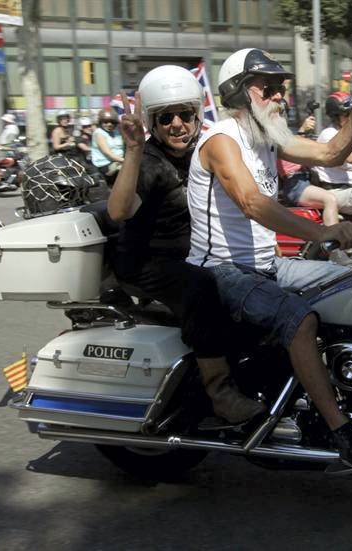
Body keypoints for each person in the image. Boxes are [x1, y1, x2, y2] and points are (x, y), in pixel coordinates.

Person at [187, 48, 352, 476]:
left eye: (282, 87)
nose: (281, 95)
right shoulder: (221, 139)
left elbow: (332, 153)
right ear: (241, 92)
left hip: (268, 264)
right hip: (221, 271)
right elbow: (251, 201)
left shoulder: (268, 138)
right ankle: (344, 435)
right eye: (271, 87)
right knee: (299, 322)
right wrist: (321, 232)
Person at [108, 65, 264, 424]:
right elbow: (118, 211)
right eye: (165, 118)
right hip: (150, 262)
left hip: (193, 253)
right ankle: (220, 392)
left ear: (197, 115)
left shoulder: (202, 149)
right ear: (153, 122)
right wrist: (132, 150)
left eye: (185, 115)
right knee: (204, 287)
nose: (177, 124)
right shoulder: (149, 162)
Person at [276, 98, 339, 226]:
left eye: (283, 113)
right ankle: (332, 241)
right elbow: (290, 147)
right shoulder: (274, 136)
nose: (281, 117)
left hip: (304, 179)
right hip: (295, 184)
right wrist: (302, 130)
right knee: (330, 199)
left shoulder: (286, 133)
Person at [91, 107, 125, 185]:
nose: (109, 124)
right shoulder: (99, 133)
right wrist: (124, 161)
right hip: (106, 164)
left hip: (119, 161)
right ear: (101, 122)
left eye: (112, 122)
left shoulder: (117, 131)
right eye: (105, 122)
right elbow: (107, 152)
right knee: (126, 171)